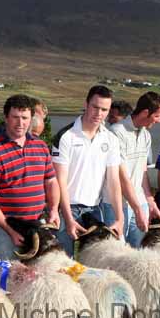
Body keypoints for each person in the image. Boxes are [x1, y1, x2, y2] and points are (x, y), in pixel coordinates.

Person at [0, 94, 59, 259]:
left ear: (31, 119)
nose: (20, 123)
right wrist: (10, 230)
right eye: (15, 117)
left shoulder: (41, 147)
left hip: (37, 226)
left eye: (25, 117)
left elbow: (51, 181)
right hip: (4, 229)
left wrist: (53, 210)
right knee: (7, 277)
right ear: (6, 118)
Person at [51, 85, 123, 256]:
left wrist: (120, 218)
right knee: (65, 266)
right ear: (86, 104)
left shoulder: (111, 139)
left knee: (93, 267)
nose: (99, 113)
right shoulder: (66, 136)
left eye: (104, 109)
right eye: (95, 107)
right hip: (67, 211)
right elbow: (59, 181)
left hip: (94, 211)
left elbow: (113, 182)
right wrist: (68, 219)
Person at [105, 91, 160, 247]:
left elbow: (142, 171)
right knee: (117, 253)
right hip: (116, 205)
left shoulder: (146, 135)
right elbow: (121, 176)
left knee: (139, 252)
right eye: (157, 116)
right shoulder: (116, 133)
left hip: (139, 202)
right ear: (146, 112)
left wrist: (149, 200)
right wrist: (137, 209)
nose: (159, 121)